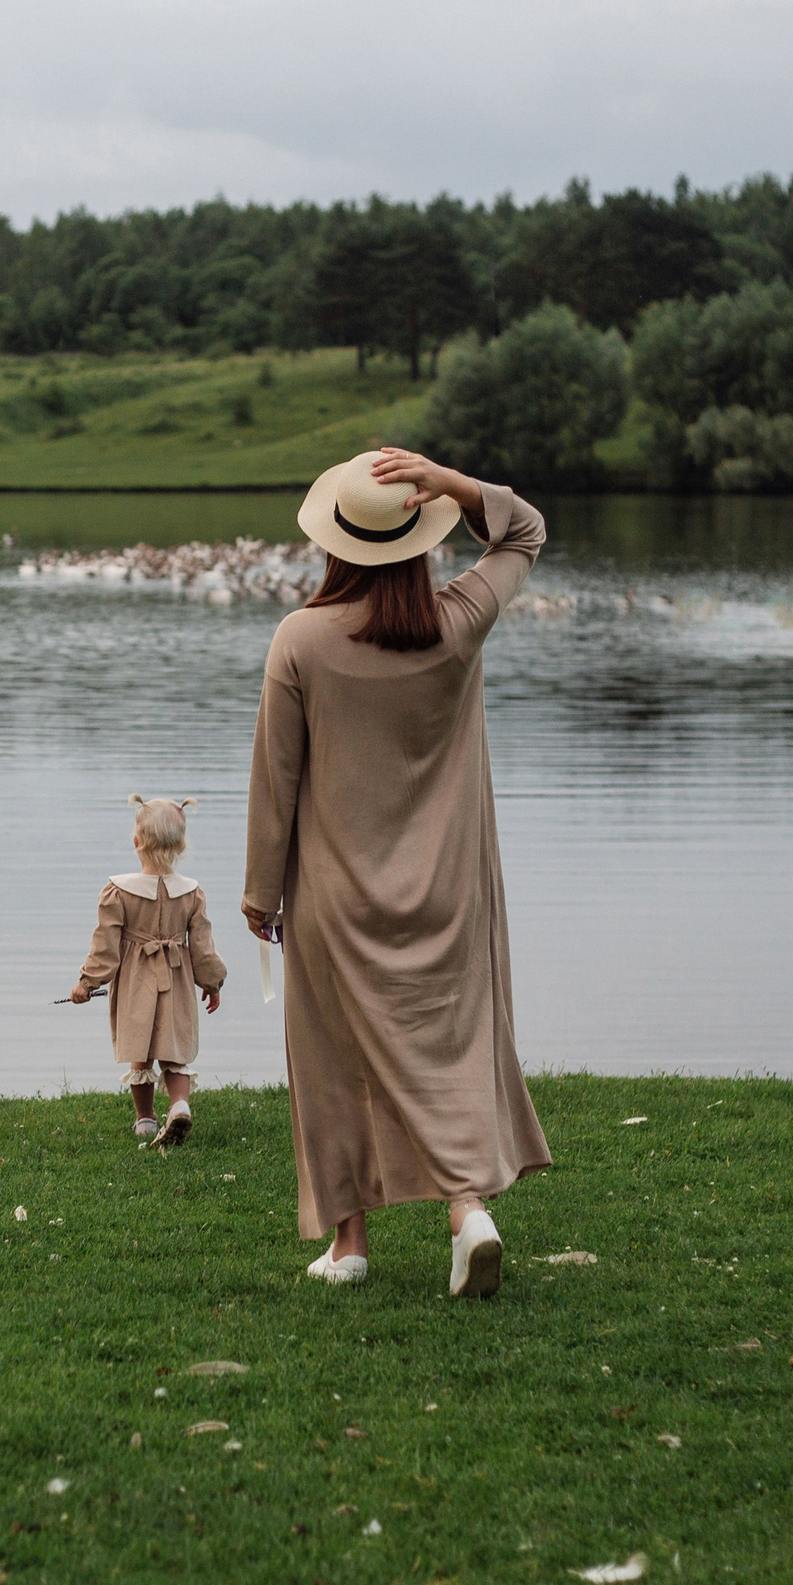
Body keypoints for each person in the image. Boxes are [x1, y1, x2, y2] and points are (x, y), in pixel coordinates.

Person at [242, 448, 550, 1297]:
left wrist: (258, 892)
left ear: (335, 545)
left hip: (335, 897)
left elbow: (277, 777)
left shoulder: (301, 638)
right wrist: (452, 482)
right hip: (450, 893)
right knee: (447, 1046)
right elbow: (526, 530)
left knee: (334, 1059)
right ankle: (468, 1211)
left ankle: (349, 1244)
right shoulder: (459, 622)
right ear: (421, 539)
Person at [71, 795, 227, 1147]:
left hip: (135, 982)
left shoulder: (118, 891)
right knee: (174, 1049)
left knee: (139, 1048)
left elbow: (105, 945)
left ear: (136, 841)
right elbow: (202, 946)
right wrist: (212, 982)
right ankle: (179, 1104)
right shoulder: (192, 893)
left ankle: (145, 1120)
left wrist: (87, 981)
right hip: (175, 979)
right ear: (181, 844)